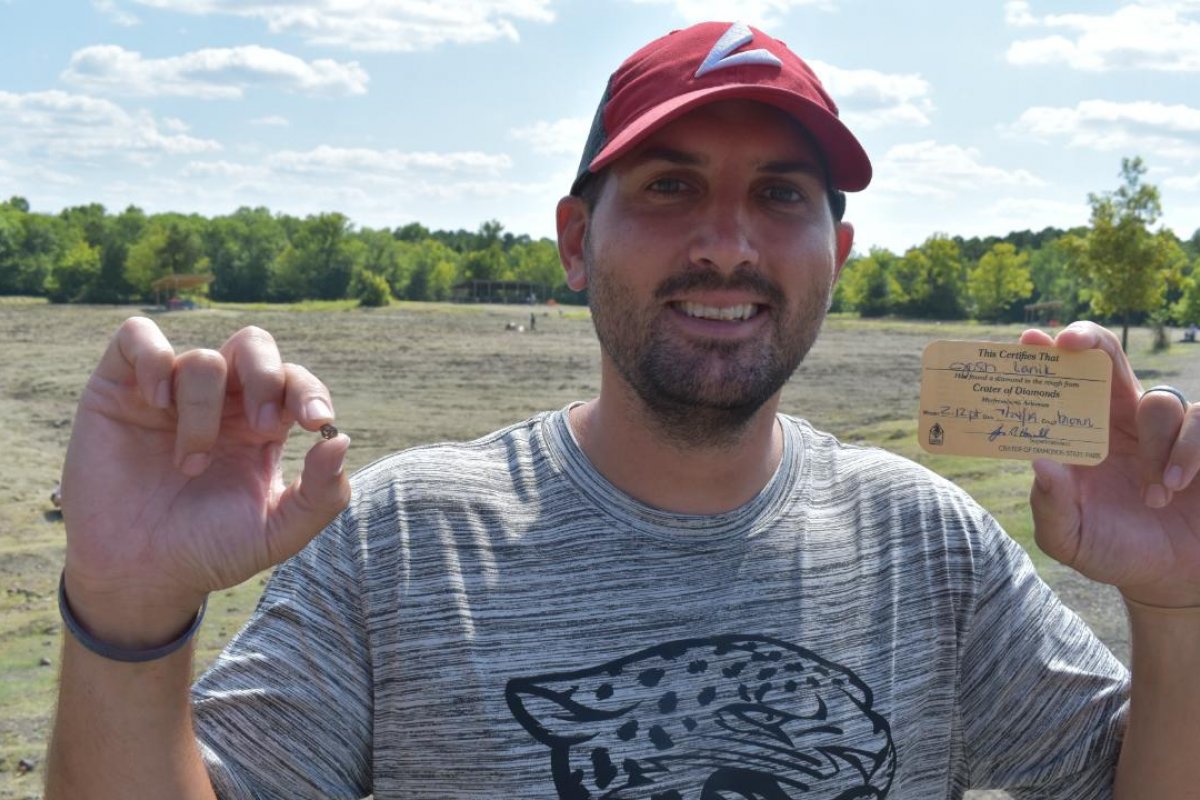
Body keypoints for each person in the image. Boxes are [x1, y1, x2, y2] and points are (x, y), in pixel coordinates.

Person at [44, 20, 1200, 800]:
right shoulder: (401, 544)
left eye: (780, 194)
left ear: (837, 254)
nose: (727, 243)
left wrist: (1178, 603)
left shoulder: (928, 545)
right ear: (572, 240)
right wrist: (131, 607)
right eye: (669, 185)